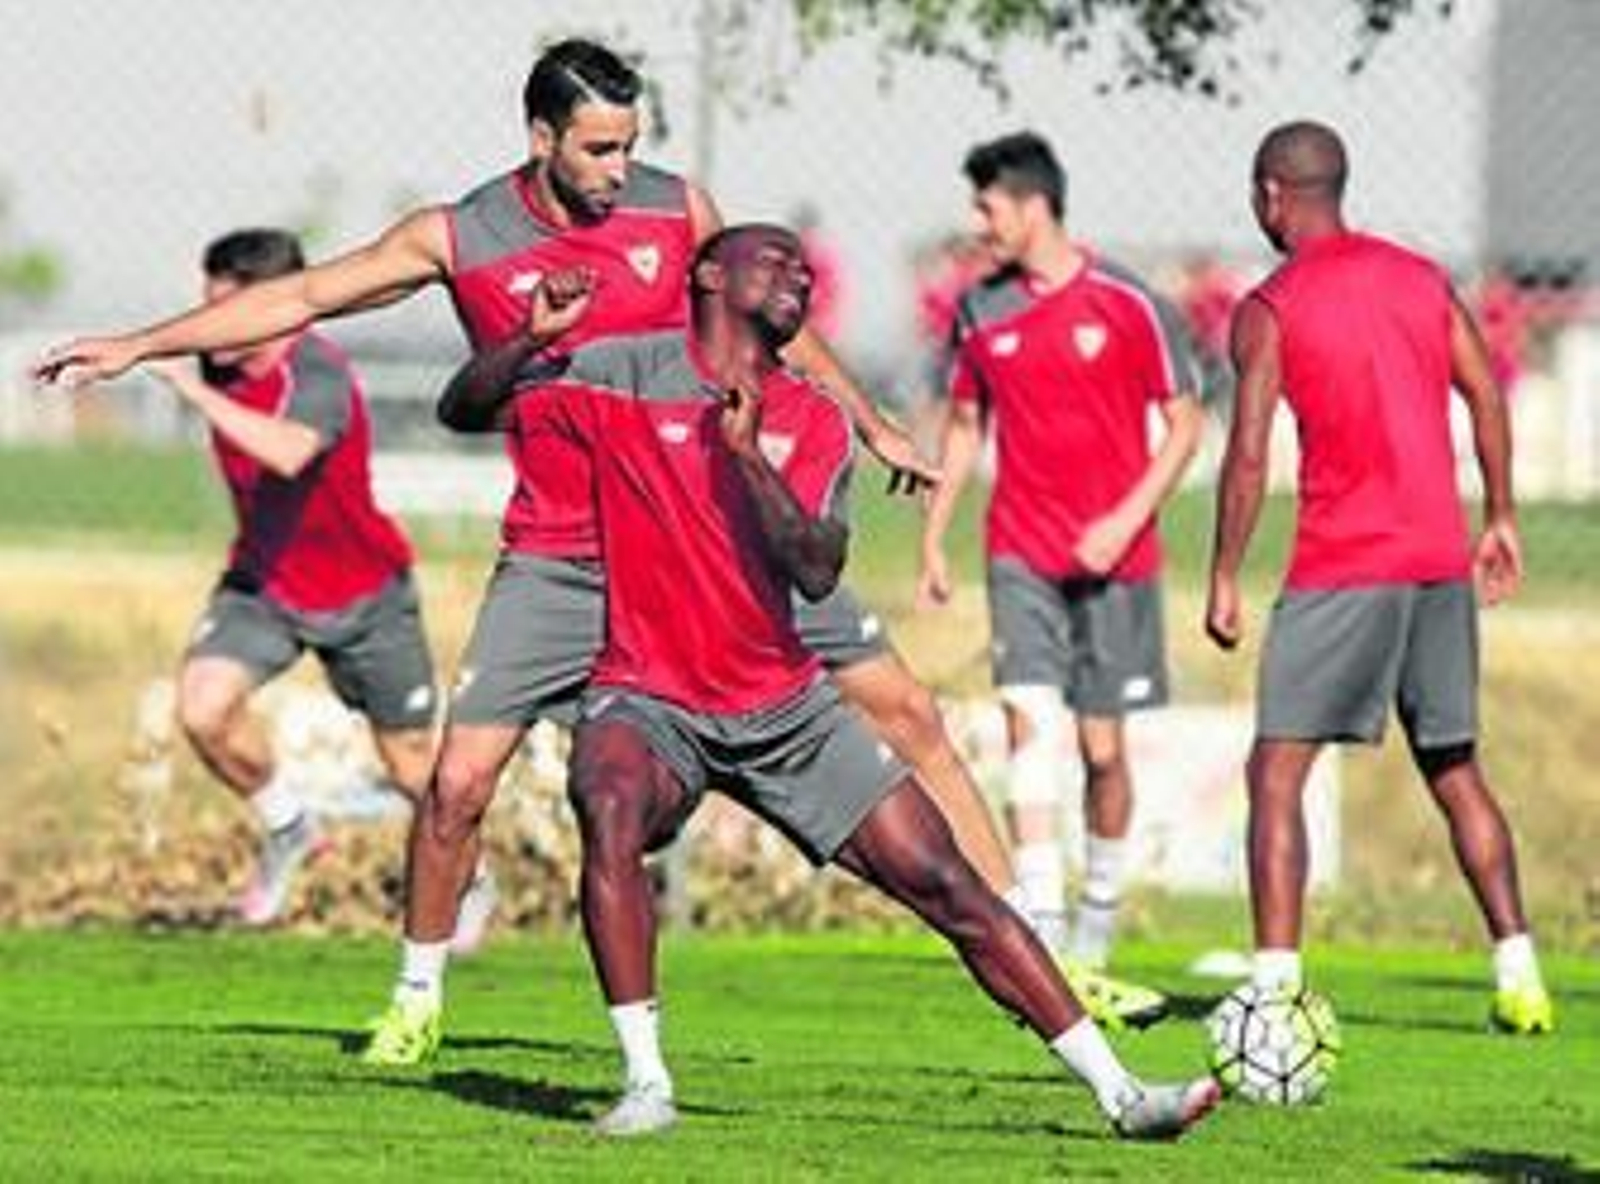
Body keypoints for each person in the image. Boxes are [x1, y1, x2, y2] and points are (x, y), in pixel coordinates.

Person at [33, 40, 1054, 1043]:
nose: (622, 171)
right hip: (563, 550)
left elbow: (770, 314)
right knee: (458, 781)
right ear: (540, 137)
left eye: (630, 145)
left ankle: (1043, 953)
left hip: (706, 537)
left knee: (907, 709)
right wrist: (137, 344)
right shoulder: (458, 235)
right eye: (600, 150)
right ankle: (417, 997)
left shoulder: (674, 207)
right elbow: (299, 297)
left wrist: (868, 418)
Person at [495, 224, 1221, 1139]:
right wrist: (526, 339)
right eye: (777, 263)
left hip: (785, 710)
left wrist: (749, 455)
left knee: (950, 885)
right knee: (606, 801)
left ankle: (1125, 1096)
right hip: (650, 696)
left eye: (806, 269)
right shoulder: (618, 374)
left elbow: (816, 568)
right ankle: (646, 1086)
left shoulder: (811, 416)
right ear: (712, 274)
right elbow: (469, 405)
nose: (799, 277)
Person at [1204, 120, 1554, 1034]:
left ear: (1272, 194)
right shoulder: (1420, 277)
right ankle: (1520, 974)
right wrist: (1501, 517)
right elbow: (1484, 391)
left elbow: (1246, 457)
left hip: (1343, 562)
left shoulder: (1270, 306)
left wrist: (1224, 576)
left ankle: (1275, 995)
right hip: (1439, 558)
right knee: (1454, 766)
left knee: (1276, 772)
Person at [919, 132, 1204, 1020]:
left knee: (1102, 751)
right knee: (1027, 724)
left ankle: (1096, 920)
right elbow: (965, 426)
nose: (978, 223)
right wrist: (935, 532)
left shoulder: (1129, 303)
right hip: (1021, 555)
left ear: (1032, 204)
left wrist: (1124, 520)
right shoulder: (979, 311)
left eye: (988, 207)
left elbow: (1186, 424)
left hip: (1119, 562)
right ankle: (1040, 928)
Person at [146, 228, 438, 925]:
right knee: (203, 708)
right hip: (263, 585)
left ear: (277, 306)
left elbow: (288, 451)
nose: (212, 324)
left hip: (366, 594)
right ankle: (289, 827)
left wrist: (194, 394)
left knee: (410, 766)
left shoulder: (318, 372)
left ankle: (469, 872)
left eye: (230, 309)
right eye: (207, 306)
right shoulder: (216, 362)